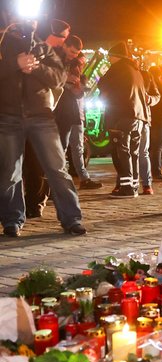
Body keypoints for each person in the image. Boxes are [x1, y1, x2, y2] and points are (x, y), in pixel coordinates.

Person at [0, 19, 85, 237]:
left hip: (41, 116)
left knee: (56, 168)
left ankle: (71, 218)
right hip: (8, 115)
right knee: (10, 172)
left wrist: (36, 67)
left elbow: (59, 78)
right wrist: (15, 63)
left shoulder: (43, 48)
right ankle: (12, 220)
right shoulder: (2, 44)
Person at [23, 19, 73, 218]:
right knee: (21, 162)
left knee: (43, 163)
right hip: (22, 111)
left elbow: (58, 79)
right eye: (62, 37)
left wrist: (36, 68)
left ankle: (37, 202)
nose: (63, 42)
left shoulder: (58, 55)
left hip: (49, 113)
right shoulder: (25, 45)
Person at [97, 42, 149, 198]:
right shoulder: (135, 70)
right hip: (138, 117)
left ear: (116, 57)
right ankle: (133, 185)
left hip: (122, 115)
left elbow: (102, 84)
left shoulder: (118, 68)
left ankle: (126, 188)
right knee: (133, 152)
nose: (109, 60)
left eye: (110, 57)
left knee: (122, 152)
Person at [54, 35, 102, 190]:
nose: (74, 55)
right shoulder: (57, 60)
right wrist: (69, 83)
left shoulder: (77, 64)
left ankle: (83, 178)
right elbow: (57, 85)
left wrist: (79, 87)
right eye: (72, 52)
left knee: (77, 146)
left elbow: (80, 91)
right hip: (64, 111)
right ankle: (58, 180)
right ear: (65, 46)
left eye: (77, 53)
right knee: (62, 146)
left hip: (76, 111)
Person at [136, 65, 161, 195]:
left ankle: (146, 184)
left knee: (142, 152)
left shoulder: (146, 75)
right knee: (125, 152)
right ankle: (124, 183)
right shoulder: (122, 73)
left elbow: (157, 95)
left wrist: (150, 99)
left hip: (144, 117)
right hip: (128, 117)